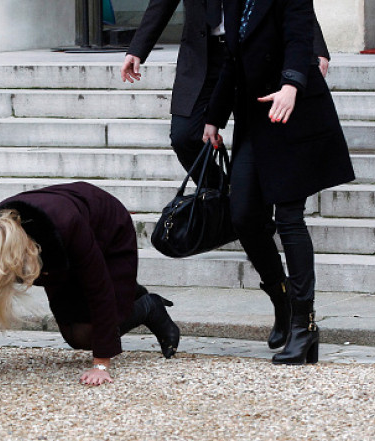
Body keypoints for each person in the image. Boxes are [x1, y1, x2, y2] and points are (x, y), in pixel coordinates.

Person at [120, 0, 330, 352]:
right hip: (208, 58)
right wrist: (138, 48)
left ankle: (299, 318)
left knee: (281, 213)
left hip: (264, 65)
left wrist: (310, 56)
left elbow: (296, 12)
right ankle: (237, 204)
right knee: (186, 137)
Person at [203, 0, 355, 364]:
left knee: (289, 218)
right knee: (243, 215)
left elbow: (300, 40)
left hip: (293, 114)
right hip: (255, 120)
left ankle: (304, 326)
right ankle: (283, 297)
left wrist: (291, 83)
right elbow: (233, 59)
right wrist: (214, 117)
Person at [0, 182, 180, 385]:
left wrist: (101, 365)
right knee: (74, 336)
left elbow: (98, 288)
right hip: (54, 245)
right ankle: (126, 294)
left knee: (90, 335)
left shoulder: (66, 226)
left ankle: (148, 306)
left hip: (106, 229)